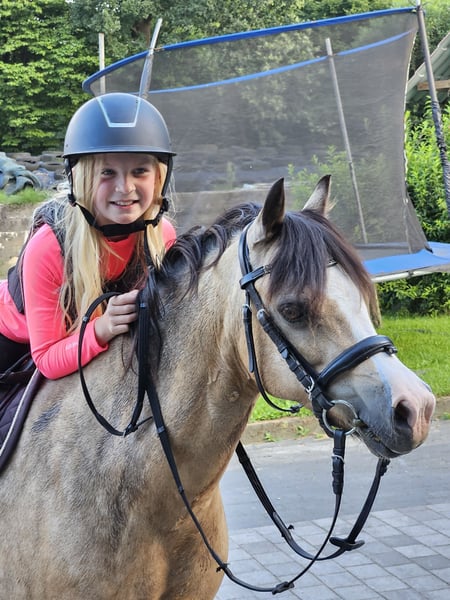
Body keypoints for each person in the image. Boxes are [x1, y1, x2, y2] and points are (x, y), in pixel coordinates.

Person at [0, 92, 176, 379]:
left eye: (140, 171)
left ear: (158, 177)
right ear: (81, 179)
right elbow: (47, 358)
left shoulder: (161, 236)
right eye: (107, 172)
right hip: (15, 338)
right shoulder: (49, 247)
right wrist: (102, 328)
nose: (125, 187)